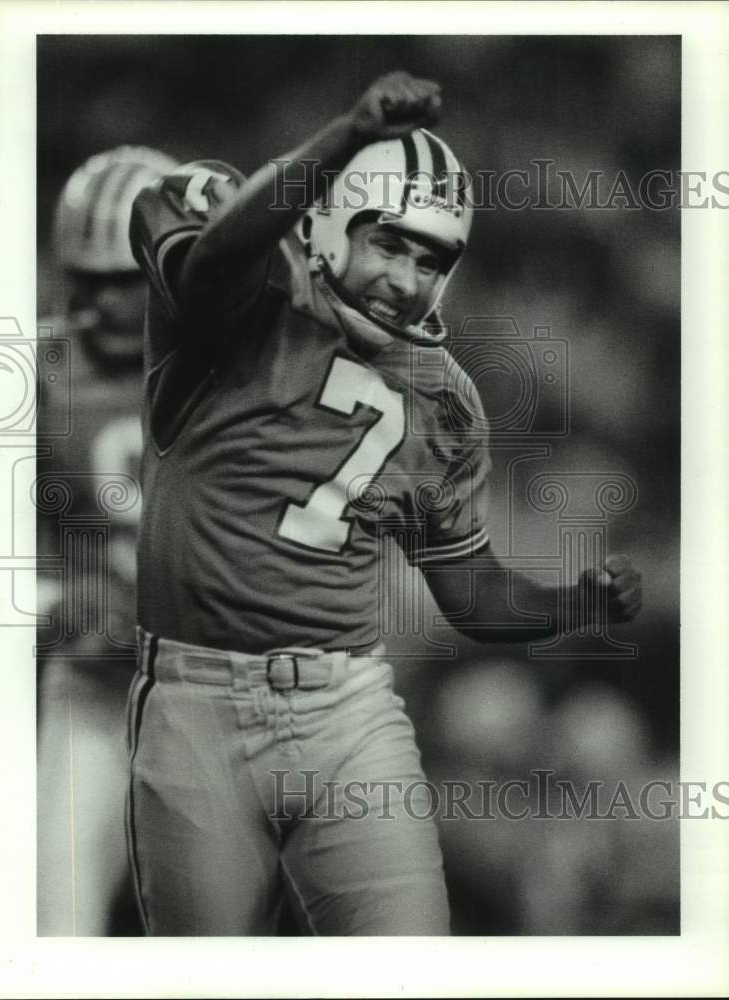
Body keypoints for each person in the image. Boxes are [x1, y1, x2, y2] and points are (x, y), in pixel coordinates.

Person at [126, 72, 642, 936]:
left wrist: (571, 606)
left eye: (429, 260)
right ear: (329, 220)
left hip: (347, 708)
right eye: (388, 244)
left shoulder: (445, 399)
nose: (404, 279)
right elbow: (211, 257)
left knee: (409, 964)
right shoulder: (249, 303)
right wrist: (345, 135)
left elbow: (469, 592)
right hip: (196, 701)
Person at [36, 146, 178, 935]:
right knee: (57, 916)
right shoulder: (40, 372)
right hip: (97, 687)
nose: (94, 304)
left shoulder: (251, 369)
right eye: (81, 280)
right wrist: (53, 596)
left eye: (119, 281)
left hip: (229, 698)